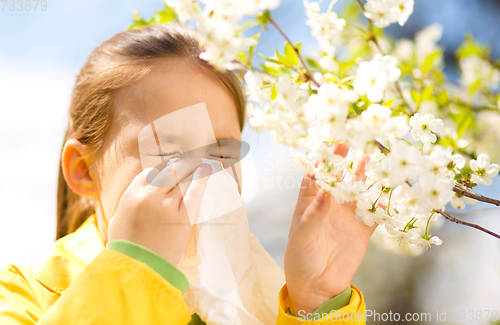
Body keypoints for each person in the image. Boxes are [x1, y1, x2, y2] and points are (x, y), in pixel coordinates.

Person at [0, 24, 376, 324]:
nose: (203, 178)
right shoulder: (22, 298)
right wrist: (136, 270)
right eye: (169, 152)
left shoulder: (263, 296)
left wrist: (316, 302)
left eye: (222, 152)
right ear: (84, 171)